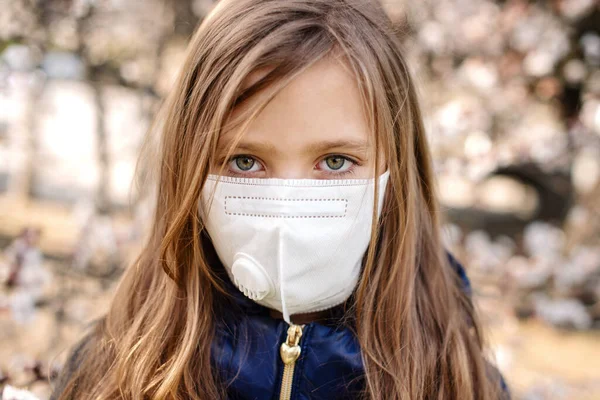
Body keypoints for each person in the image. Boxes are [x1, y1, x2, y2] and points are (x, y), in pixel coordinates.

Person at [50, 0, 510, 399]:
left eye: (335, 162)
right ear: (186, 168)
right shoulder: (112, 373)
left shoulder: (459, 382)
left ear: (396, 174)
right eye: (245, 162)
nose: (287, 208)